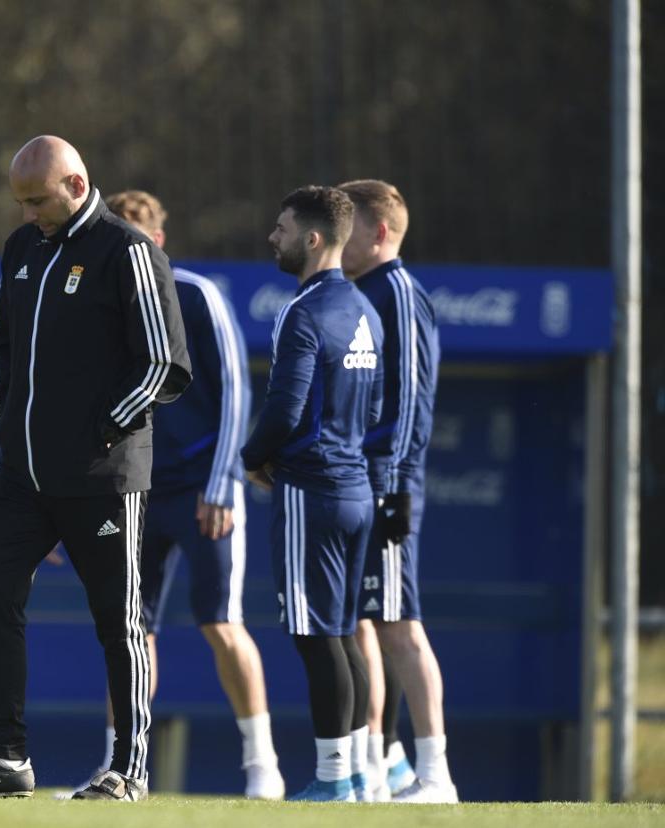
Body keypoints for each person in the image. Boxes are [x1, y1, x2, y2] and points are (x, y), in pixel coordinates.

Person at [0, 136, 190, 803]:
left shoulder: (127, 251)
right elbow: (2, 346)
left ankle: (129, 770)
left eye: (36, 200)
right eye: (20, 202)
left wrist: (98, 432)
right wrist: (8, 421)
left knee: (119, 621)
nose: (27, 213)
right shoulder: (23, 248)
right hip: (22, 476)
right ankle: (6, 757)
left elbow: (163, 365)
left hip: (102, 477)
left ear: (75, 183)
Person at [57, 190, 284, 800]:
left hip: (203, 494)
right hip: (134, 493)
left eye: (133, 238)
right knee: (129, 631)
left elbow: (237, 391)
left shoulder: (197, 295)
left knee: (221, 623)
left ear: (156, 242)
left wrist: (221, 483)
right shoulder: (97, 307)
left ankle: (263, 767)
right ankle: (119, 768)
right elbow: (85, 414)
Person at [241, 185, 383, 802]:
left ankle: (333, 781)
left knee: (313, 634)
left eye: (282, 227)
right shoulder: (365, 309)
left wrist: (252, 459)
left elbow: (285, 407)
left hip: (312, 490)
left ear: (314, 239)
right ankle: (351, 775)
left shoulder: (302, 311)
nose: (274, 237)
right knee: (341, 632)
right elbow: (375, 405)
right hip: (355, 489)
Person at [338, 179, 456, 803]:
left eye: (348, 226)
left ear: (380, 232)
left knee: (400, 625)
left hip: (387, 484)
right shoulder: (360, 292)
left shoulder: (399, 295)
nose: (336, 240)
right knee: (361, 621)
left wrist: (385, 485)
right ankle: (386, 764)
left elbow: (407, 402)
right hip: (361, 483)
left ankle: (437, 776)